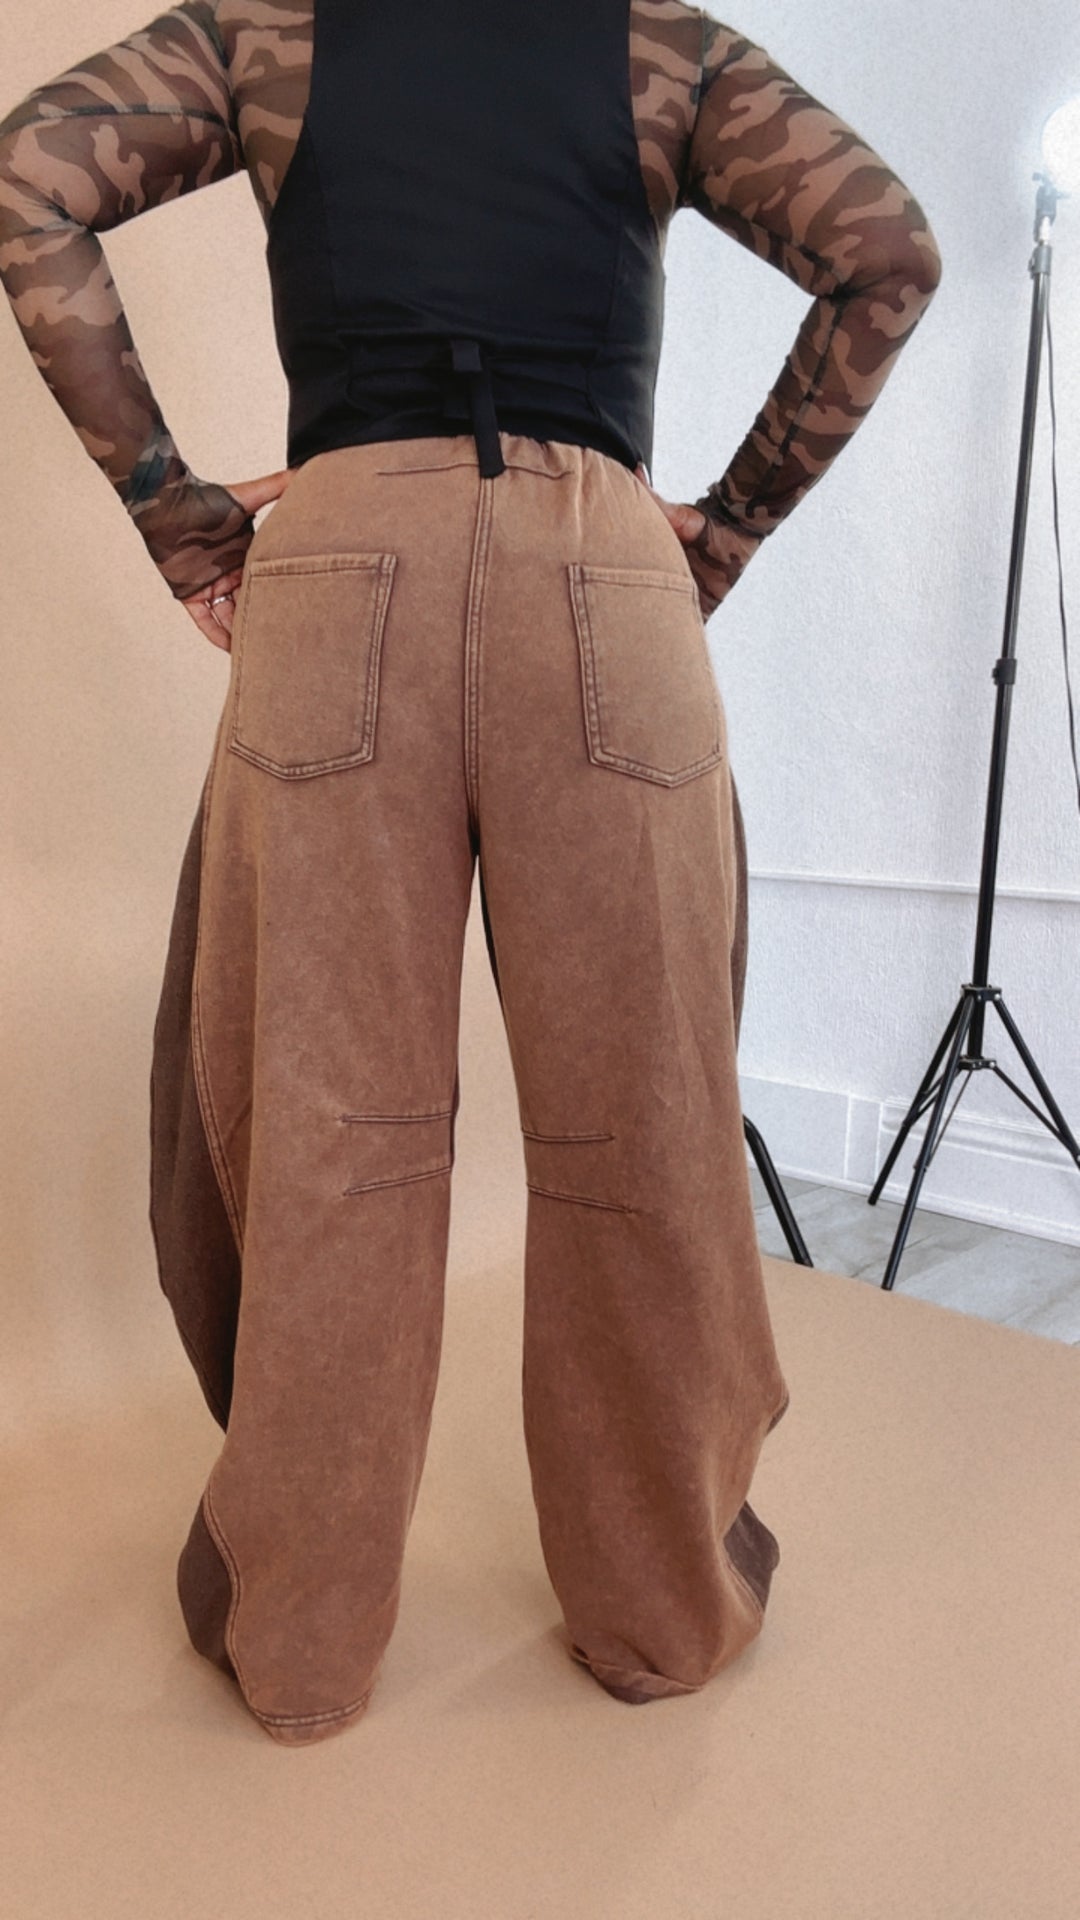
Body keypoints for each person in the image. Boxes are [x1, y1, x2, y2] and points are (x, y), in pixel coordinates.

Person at [0, 0, 942, 1746]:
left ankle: (301, 1641)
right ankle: (662, 1609)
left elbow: (28, 174)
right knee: (645, 1112)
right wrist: (727, 526)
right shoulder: (661, 45)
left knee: (327, 1122)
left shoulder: (269, 30)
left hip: (343, 563)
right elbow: (887, 249)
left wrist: (178, 514)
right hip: (608, 580)